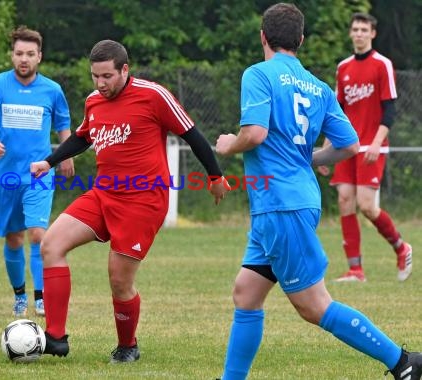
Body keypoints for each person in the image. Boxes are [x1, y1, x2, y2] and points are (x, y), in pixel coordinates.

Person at [214, 3, 421, 380]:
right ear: (301, 41)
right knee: (246, 292)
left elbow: (255, 134)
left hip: (281, 205)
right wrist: (306, 157)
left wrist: (228, 144)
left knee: (314, 306)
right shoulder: (318, 85)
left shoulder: (259, 74)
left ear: (263, 36)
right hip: (289, 202)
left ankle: (403, 362)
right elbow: (349, 146)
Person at [30, 39, 229, 363]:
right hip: (103, 193)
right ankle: (55, 338)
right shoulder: (94, 101)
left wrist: (215, 177)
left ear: (125, 69)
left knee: (119, 279)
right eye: (95, 76)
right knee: (51, 245)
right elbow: (83, 137)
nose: (100, 83)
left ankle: (127, 346)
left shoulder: (154, 95)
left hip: (143, 201)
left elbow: (192, 134)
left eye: (107, 76)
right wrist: (48, 162)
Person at [0, 26, 74, 317]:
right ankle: (19, 296)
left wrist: (65, 155)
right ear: (12, 55)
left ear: (39, 56)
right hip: (5, 176)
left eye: (30, 54)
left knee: (39, 235)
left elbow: (63, 126)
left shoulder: (52, 90)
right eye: (19, 53)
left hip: (40, 174)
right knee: (14, 238)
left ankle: (41, 298)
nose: (24, 59)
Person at [318, 13, 412, 282]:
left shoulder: (382, 65)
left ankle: (401, 247)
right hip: (347, 147)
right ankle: (355, 270)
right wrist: (325, 151)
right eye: (355, 29)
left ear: (372, 34)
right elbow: (337, 114)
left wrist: (377, 142)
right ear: (351, 34)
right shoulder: (343, 68)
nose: (359, 33)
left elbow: (390, 111)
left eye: (364, 29)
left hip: (372, 147)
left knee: (367, 206)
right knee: (345, 201)